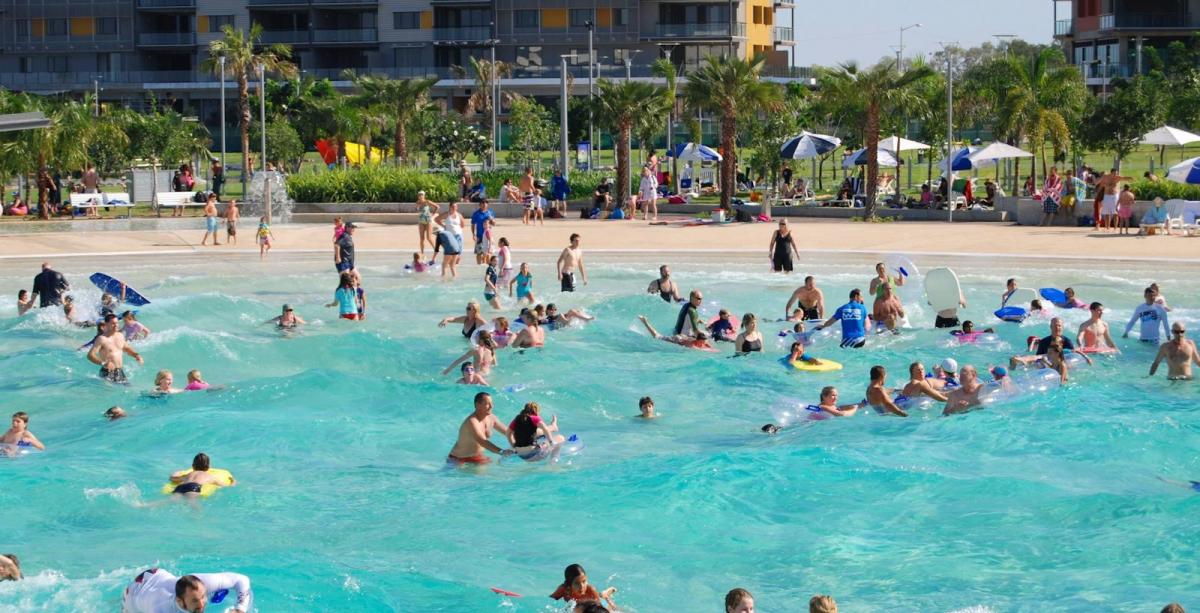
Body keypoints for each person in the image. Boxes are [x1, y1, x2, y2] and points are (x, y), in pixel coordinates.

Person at [121, 568, 252, 613]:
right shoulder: (161, 609)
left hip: (155, 574)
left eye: (203, 596)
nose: (202, 604)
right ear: (180, 601)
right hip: (133, 596)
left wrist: (240, 608)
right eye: (195, 601)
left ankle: (212, 596)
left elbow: (242, 580)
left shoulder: (199, 583)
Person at [447, 391, 514, 465]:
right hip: (458, 458)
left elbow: (508, 432)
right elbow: (482, 441)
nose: (491, 406)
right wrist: (502, 452)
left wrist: (522, 440)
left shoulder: (492, 418)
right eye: (487, 404)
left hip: (476, 457)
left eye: (492, 403)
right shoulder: (472, 422)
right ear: (477, 405)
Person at [87, 313, 143, 383]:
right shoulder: (102, 339)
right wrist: (103, 363)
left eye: (117, 323)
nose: (116, 325)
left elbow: (126, 348)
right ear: (106, 324)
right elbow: (90, 355)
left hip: (119, 371)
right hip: (107, 372)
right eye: (113, 323)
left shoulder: (120, 335)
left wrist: (136, 355)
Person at [550, 564, 618, 610]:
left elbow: (600, 610)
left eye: (584, 581)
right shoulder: (563, 589)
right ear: (569, 584)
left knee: (614, 609)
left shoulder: (590, 590)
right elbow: (549, 602)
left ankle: (606, 593)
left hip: (598, 602)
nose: (582, 586)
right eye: (577, 583)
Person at [637, 314, 712, 349]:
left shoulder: (700, 340)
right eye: (703, 341)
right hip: (677, 339)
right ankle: (645, 321)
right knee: (657, 336)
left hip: (684, 336)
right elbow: (701, 350)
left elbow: (706, 344)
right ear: (699, 340)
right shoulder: (692, 346)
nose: (704, 342)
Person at [1096, 167, 1132, 231]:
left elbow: (1124, 178)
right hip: (1106, 196)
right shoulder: (1105, 177)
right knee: (1107, 213)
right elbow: (1100, 184)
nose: (1115, 174)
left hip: (1114, 196)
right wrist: (1098, 193)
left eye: (1116, 173)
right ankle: (1107, 227)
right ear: (1111, 172)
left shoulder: (1117, 177)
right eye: (1114, 173)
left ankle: (1115, 228)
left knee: (1115, 212)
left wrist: (1130, 177)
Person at [416, 191, 440, 258]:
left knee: (429, 238)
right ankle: (422, 253)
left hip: (428, 221)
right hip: (421, 221)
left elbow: (437, 207)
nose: (420, 196)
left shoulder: (427, 202)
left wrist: (432, 215)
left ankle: (436, 249)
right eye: (419, 195)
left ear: (424, 195)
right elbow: (418, 210)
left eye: (422, 195)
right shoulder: (417, 202)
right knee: (421, 238)